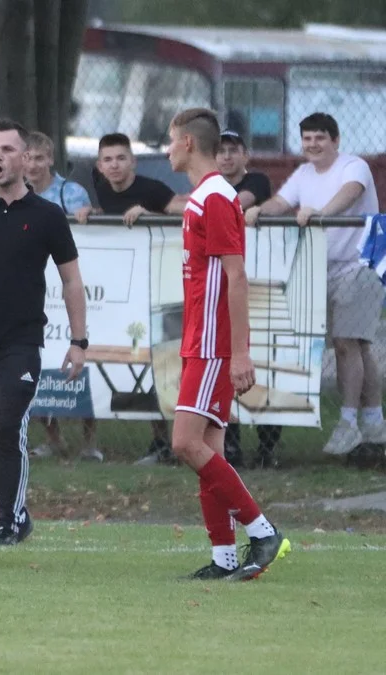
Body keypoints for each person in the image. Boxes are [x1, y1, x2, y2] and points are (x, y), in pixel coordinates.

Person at [165, 107, 289, 580]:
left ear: (190, 144)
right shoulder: (205, 196)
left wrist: (239, 352)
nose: (168, 148)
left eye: (172, 140)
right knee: (208, 451)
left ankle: (261, 531)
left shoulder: (215, 197)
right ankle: (225, 558)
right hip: (203, 339)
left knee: (184, 444)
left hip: (213, 344)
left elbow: (236, 277)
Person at [0, 119, 88, 545]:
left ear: (25, 157)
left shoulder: (48, 216)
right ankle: (16, 511)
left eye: (7, 150)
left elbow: (71, 280)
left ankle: (8, 522)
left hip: (20, 343)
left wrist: (78, 341)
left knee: (6, 425)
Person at [246, 112, 384, 456]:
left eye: (320, 138)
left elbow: (351, 194)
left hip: (360, 263)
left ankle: (348, 423)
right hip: (321, 268)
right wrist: (260, 211)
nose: (313, 145)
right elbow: (282, 201)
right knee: (358, 346)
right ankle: (373, 418)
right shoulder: (304, 173)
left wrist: (319, 212)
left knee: (346, 343)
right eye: (307, 139)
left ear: (335, 141)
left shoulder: (354, 167)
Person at [85, 133, 180, 465]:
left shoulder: (152, 189)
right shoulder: (102, 188)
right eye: (108, 159)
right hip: (125, 295)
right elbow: (108, 216)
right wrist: (93, 213)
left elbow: (184, 208)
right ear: (99, 165)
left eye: (121, 158)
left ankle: (182, 439)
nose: (114, 165)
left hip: (161, 287)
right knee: (138, 362)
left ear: (133, 162)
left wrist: (151, 213)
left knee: (166, 361)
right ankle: (160, 441)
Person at [24, 130, 99, 461]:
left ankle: (90, 443)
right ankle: (53, 438)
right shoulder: (16, 195)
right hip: (36, 291)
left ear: (51, 159)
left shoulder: (71, 192)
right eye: (27, 158)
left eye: (39, 158)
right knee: (36, 363)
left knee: (83, 364)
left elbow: (92, 234)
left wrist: (87, 215)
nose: (33, 165)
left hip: (72, 286)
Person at [216, 129, 281, 469]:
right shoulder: (209, 188)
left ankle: (269, 445)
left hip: (262, 281)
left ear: (245, 155)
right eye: (220, 150)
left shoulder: (255, 181)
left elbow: (239, 201)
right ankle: (231, 444)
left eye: (233, 150)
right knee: (227, 363)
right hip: (226, 285)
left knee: (267, 362)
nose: (226, 156)